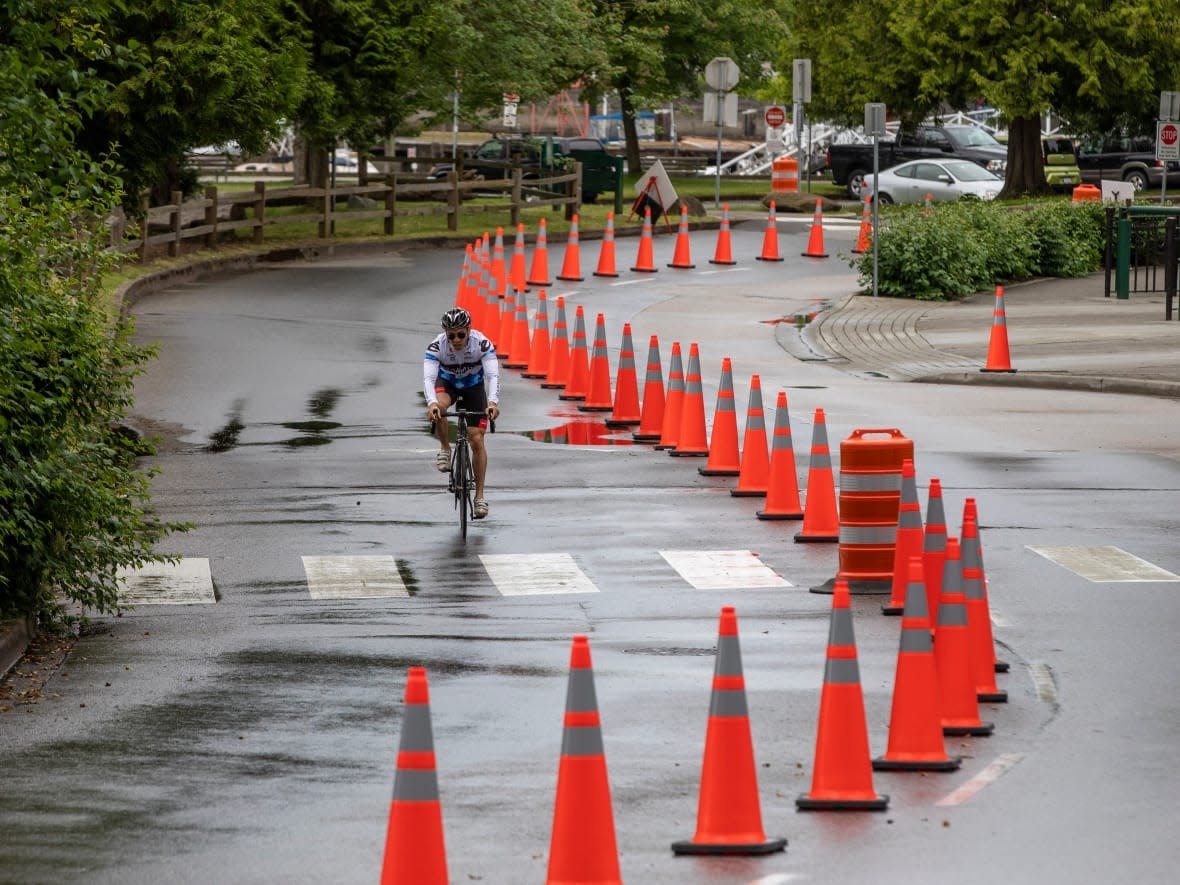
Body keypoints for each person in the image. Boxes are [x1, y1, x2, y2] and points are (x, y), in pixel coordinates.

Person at [423, 307, 500, 519]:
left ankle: (480, 497)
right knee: (440, 406)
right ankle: (445, 448)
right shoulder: (436, 346)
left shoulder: (482, 344)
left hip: (474, 387)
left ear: (469, 329)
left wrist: (492, 402)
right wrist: (431, 404)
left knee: (476, 439)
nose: (456, 340)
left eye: (461, 334)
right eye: (451, 336)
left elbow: (493, 376)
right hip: (447, 384)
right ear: (445, 335)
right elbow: (429, 379)